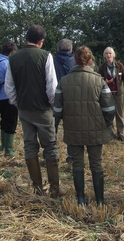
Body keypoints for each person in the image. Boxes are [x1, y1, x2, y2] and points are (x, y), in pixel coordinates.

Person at [4, 25, 65, 198]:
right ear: (41, 41)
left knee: (30, 146)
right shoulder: (46, 56)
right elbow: (51, 86)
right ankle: (54, 188)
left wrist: (18, 103)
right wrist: (54, 107)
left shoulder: (13, 59)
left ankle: (37, 188)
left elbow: (8, 87)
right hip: (43, 110)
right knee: (50, 147)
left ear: (27, 38)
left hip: (24, 110)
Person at [53, 46, 115, 205]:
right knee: (96, 163)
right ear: (90, 61)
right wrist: (106, 125)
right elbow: (109, 109)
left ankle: (81, 198)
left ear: (74, 60)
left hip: (73, 128)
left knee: (77, 164)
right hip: (96, 129)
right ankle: (100, 200)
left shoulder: (63, 81)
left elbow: (58, 109)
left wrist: (58, 124)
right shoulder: (99, 81)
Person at [98, 47, 124, 142]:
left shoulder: (119, 65)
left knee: (119, 115)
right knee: (108, 115)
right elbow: (98, 80)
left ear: (113, 55)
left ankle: (123, 136)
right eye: (107, 53)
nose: (108, 55)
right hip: (107, 95)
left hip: (118, 94)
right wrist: (105, 82)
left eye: (110, 53)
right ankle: (110, 135)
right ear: (104, 55)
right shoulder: (102, 67)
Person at [0, 41, 18, 157]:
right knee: (11, 121)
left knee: (4, 119)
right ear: (11, 52)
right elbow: (12, 79)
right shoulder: (6, 63)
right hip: (7, 95)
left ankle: (3, 145)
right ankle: (9, 150)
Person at [53, 38, 75, 168]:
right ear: (71, 49)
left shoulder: (51, 61)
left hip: (54, 99)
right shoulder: (74, 62)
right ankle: (72, 160)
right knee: (71, 131)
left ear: (58, 49)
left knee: (52, 129)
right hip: (70, 100)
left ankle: (51, 157)